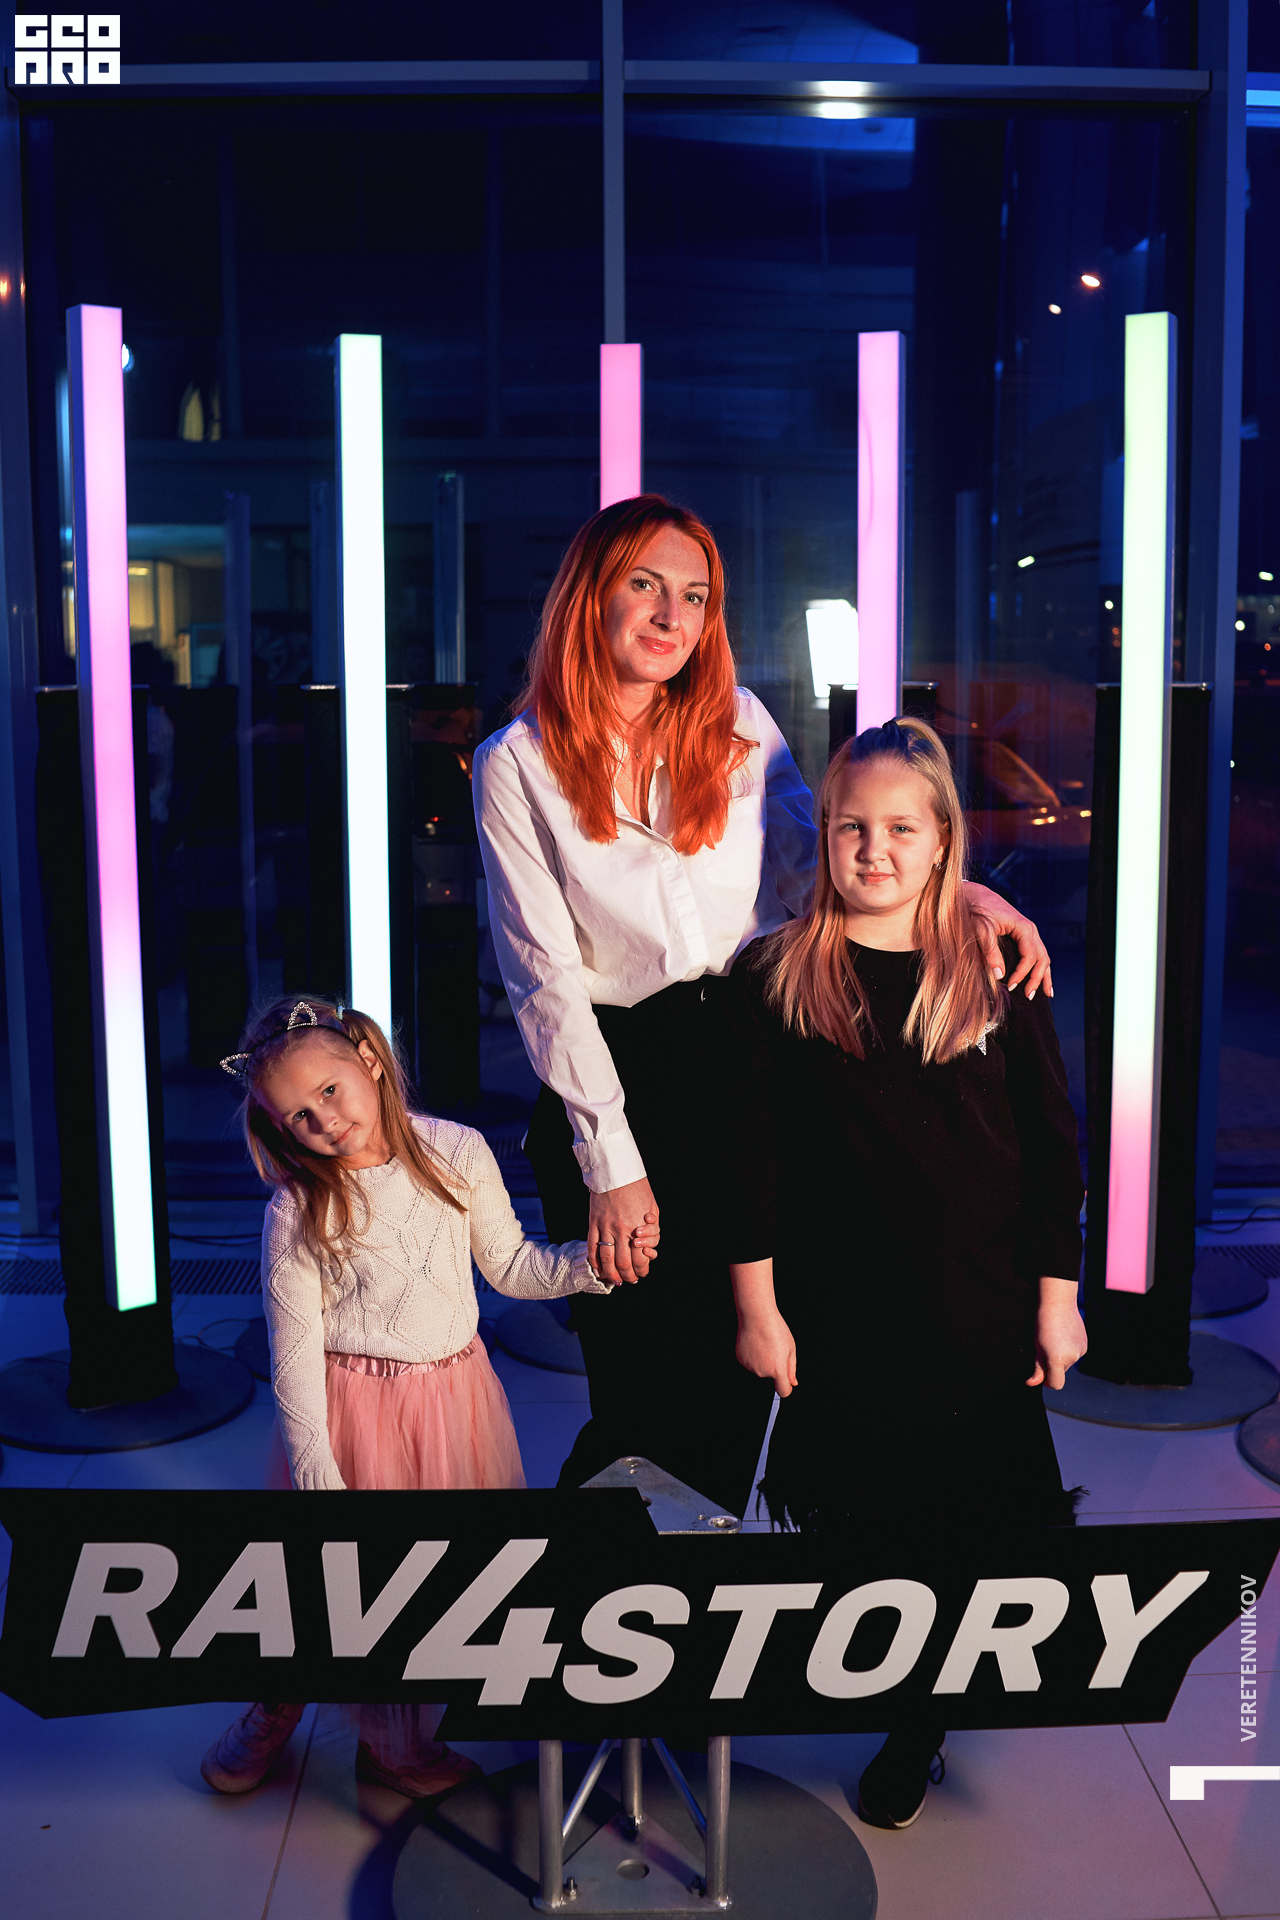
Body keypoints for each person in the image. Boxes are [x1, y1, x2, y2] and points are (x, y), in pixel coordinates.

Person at [473, 494, 1053, 1516]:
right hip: (621, 1078)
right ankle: (598, 1594)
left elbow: (817, 858)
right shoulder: (515, 763)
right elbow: (543, 980)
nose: (672, 615)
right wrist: (611, 1166)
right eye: (645, 585)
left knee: (757, 1365)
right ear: (588, 597)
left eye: (695, 595)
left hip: (757, 1053)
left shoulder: (738, 721)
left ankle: (707, 1590)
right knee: (642, 1386)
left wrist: (962, 892)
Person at [723, 718, 1088, 1831]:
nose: (873, 850)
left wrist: (1057, 1298)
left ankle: (919, 1724)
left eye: (899, 830)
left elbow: (1050, 1145)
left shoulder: (995, 968)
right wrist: (756, 1308)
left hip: (974, 1305)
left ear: (941, 844)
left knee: (963, 1528)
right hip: (840, 1314)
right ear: (822, 836)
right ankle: (889, 1677)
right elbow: (748, 1162)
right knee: (867, 1525)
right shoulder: (777, 975)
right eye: (850, 828)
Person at [198, 995, 610, 1800]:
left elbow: (511, 1266)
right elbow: (294, 1357)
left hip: (456, 1400)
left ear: (369, 1060)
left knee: (436, 1573)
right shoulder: (297, 1208)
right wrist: (317, 1469)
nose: (321, 1122)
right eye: (297, 1116)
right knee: (333, 1581)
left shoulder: (457, 1149)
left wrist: (588, 1267)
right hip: (356, 1415)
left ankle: (394, 1744)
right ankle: (279, 1701)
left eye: (328, 1091)